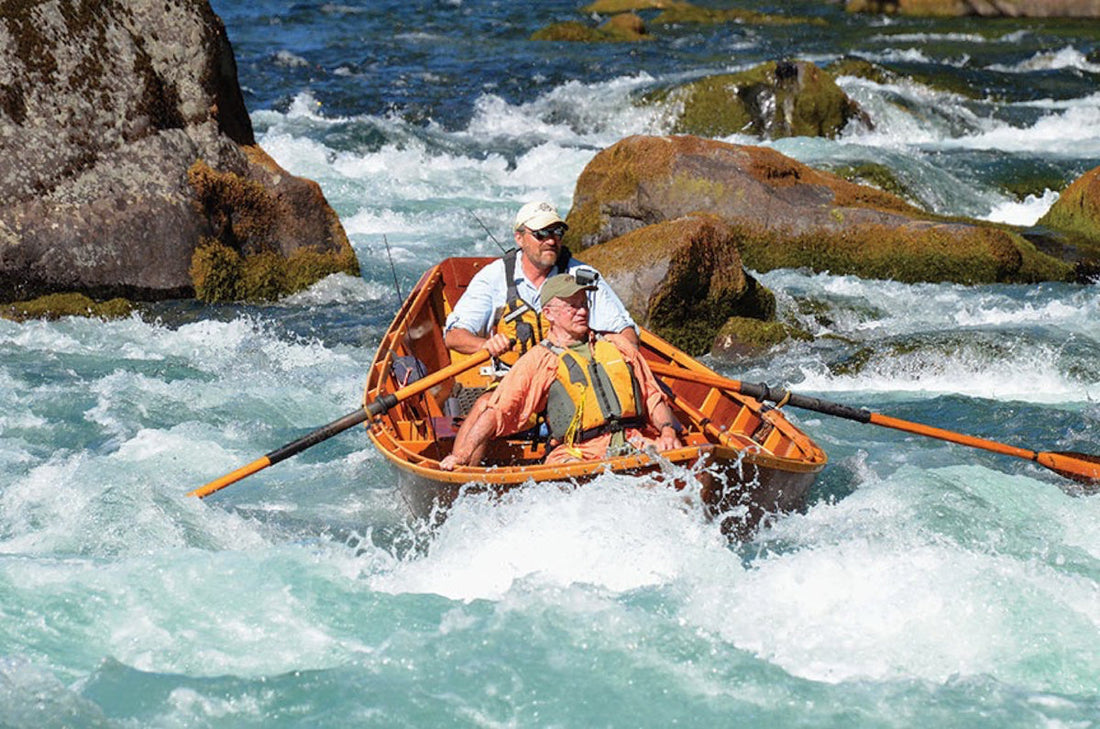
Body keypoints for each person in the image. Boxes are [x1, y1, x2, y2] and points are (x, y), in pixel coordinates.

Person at [439, 273, 681, 470]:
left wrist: (668, 431)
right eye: (571, 306)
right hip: (578, 452)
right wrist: (462, 454)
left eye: (584, 304)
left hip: (633, 440)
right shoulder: (540, 359)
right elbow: (497, 412)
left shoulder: (618, 346)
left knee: (689, 461)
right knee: (572, 476)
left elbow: (652, 397)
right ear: (549, 314)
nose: (582, 311)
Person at [444, 200, 638, 360]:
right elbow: (453, 336)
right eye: (541, 234)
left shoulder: (584, 276)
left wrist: (613, 356)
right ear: (519, 238)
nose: (552, 241)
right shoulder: (493, 277)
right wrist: (486, 345)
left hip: (573, 380)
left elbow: (625, 332)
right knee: (483, 406)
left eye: (557, 233)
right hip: (512, 379)